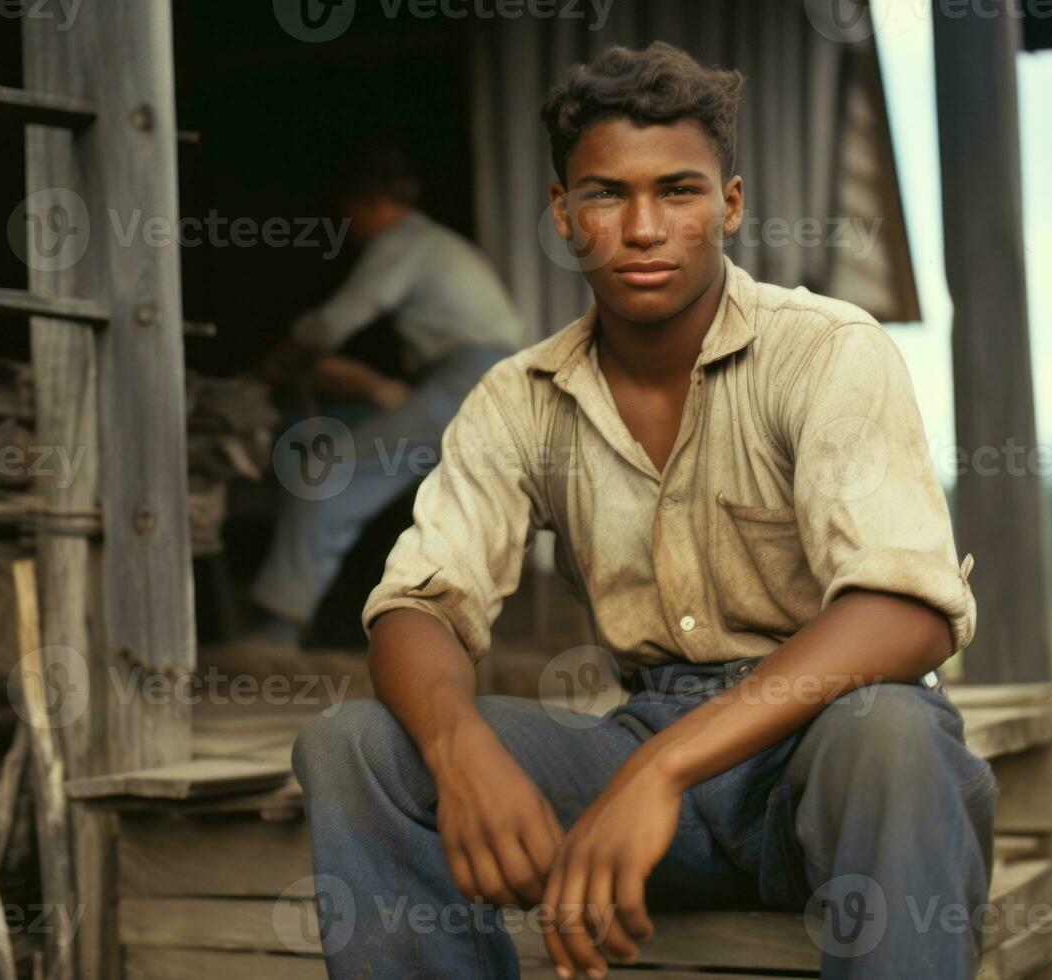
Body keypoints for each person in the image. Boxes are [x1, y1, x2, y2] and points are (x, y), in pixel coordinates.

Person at [292, 42, 996, 979]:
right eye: (604, 195)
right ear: (562, 214)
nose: (643, 227)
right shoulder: (520, 396)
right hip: (640, 755)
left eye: (678, 191)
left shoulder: (826, 352)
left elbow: (905, 614)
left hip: (819, 760)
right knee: (358, 745)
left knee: (894, 733)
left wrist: (659, 771)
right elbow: (419, 602)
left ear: (730, 205)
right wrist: (460, 748)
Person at [246, 141, 523, 647]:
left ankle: (276, 628)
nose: (350, 230)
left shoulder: (403, 242)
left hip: (465, 381)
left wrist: (274, 364)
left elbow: (333, 323)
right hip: (486, 383)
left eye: (350, 216)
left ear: (371, 204)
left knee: (327, 473)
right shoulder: (438, 246)